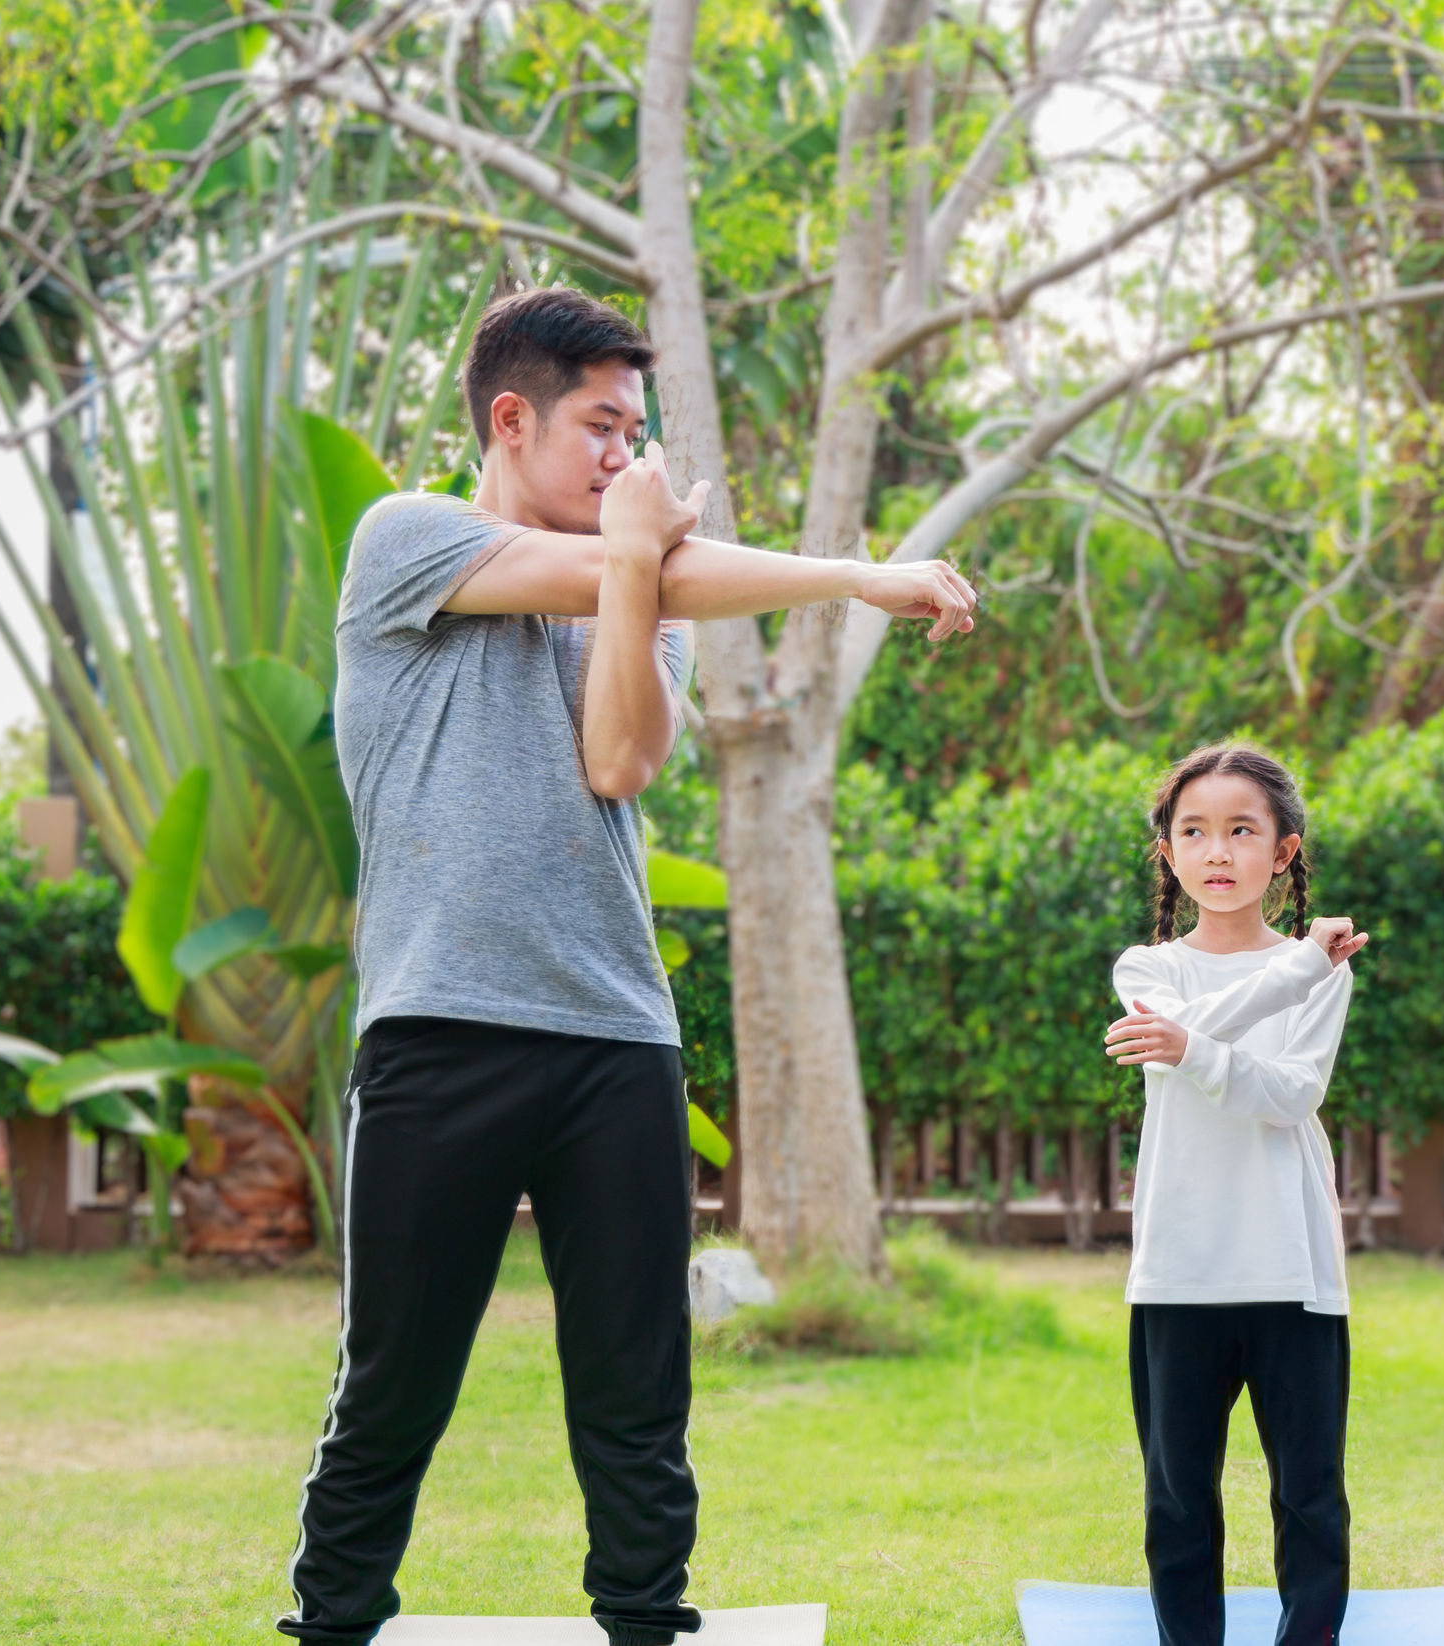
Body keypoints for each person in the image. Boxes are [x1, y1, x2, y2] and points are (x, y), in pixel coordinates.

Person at [283, 287, 978, 1646]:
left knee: (636, 1386)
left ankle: (647, 1626)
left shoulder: (633, 595)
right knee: (393, 1384)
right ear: (508, 417)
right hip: (440, 1029)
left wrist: (640, 567)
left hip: (614, 1032)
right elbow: (624, 563)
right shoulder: (407, 540)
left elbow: (618, 759)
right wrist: (849, 574)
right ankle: (331, 1626)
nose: (621, 454)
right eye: (600, 426)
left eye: (635, 432)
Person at [1098, 742, 1372, 1646]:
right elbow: (1179, 1041)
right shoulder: (1149, 971)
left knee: (1309, 1495)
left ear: (1283, 851)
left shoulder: (1322, 970)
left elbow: (1290, 1095)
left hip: (1292, 1269)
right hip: (1179, 1273)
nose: (1218, 852)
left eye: (1241, 830)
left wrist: (1196, 1049)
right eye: (1195, 832)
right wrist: (1289, 974)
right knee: (1178, 1500)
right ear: (1169, 852)